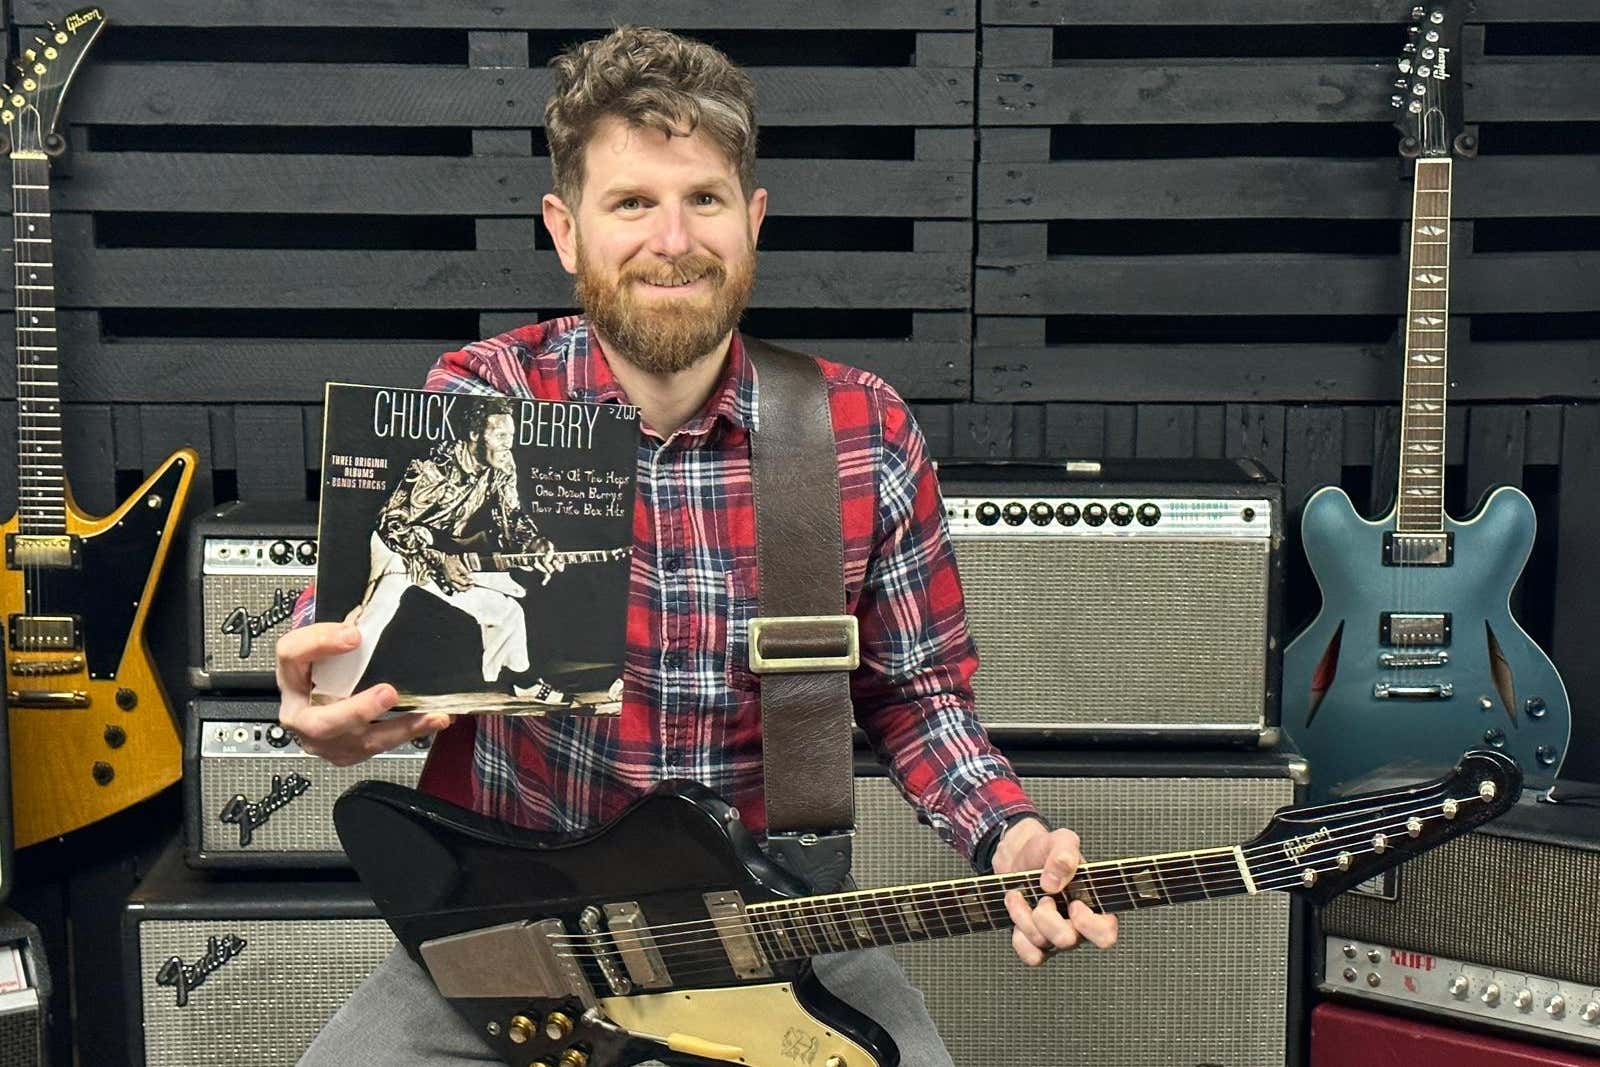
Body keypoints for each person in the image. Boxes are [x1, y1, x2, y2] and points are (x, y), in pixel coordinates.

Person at [277, 25, 1116, 1066]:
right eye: (631, 203)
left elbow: (918, 696)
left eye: (704, 200)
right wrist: (334, 690)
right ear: (565, 228)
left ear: (751, 219)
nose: (672, 239)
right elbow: (368, 628)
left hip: (769, 925)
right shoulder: (487, 399)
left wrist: (1011, 837)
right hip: (516, 930)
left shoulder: (861, 430)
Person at [310, 397, 574, 706]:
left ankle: (523, 682)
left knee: (507, 612)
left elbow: (511, 517)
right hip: (398, 544)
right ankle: (325, 697)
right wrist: (437, 558)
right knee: (377, 611)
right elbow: (391, 523)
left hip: (442, 550)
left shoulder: (502, 465)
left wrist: (534, 542)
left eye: (511, 436)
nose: (508, 444)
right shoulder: (434, 468)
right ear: (475, 434)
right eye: (501, 435)